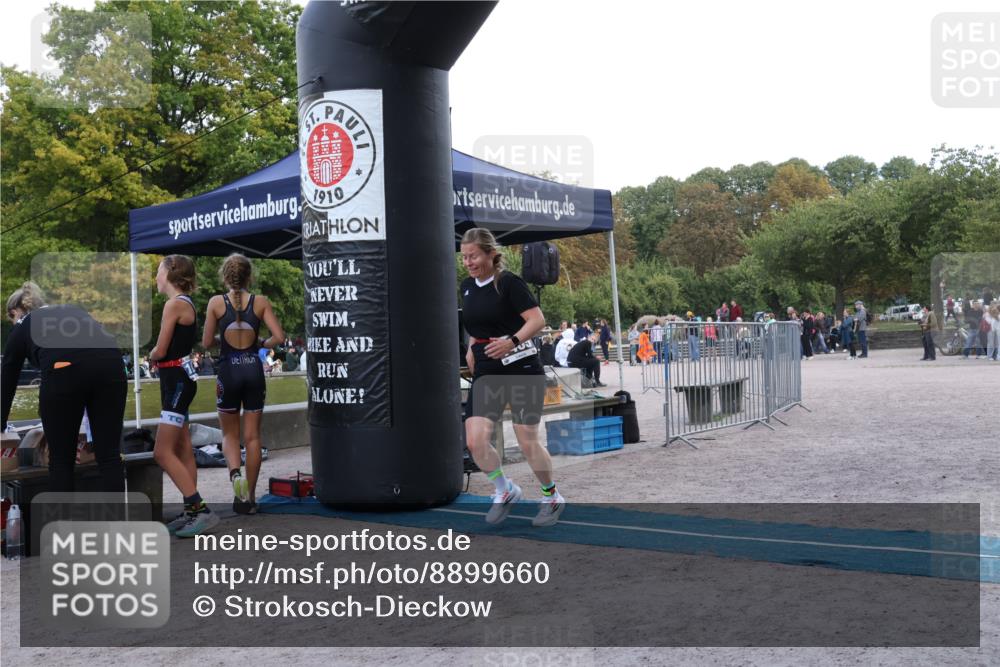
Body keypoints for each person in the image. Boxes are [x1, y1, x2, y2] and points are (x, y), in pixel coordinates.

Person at [460, 228, 564, 527]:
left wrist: (512, 341)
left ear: (491, 254)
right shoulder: (467, 286)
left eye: (474, 256)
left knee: (526, 439)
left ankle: (551, 496)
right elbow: (475, 323)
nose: (468, 262)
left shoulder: (508, 283)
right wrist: (470, 348)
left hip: (522, 368)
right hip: (487, 370)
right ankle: (504, 490)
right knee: (475, 441)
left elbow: (538, 320)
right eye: (465, 257)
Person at [2, 282, 128, 494]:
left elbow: (6, 383)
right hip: (112, 366)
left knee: (61, 460)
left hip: (65, 372)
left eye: (11, 319)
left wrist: (1, 423)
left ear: (15, 312)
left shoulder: (23, 326)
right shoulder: (72, 310)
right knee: (109, 456)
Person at [203, 253, 285, 515]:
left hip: (229, 371)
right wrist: (260, 343)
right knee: (253, 437)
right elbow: (279, 337)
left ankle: (234, 475)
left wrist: (223, 340)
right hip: (253, 370)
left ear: (225, 277)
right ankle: (248, 498)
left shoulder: (216, 303)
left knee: (230, 434)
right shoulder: (260, 302)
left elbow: (205, 343)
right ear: (249, 276)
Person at [147, 256, 218, 536]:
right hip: (179, 380)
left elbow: (161, 350)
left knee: (162, 452)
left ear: (170, 274)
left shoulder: (174, 304)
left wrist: (150, 355)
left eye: (158, 271)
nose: (155, 277)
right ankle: (191, 513)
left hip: (175, 383)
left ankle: (200, 510)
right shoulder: (184, 303)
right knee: (184, 446)